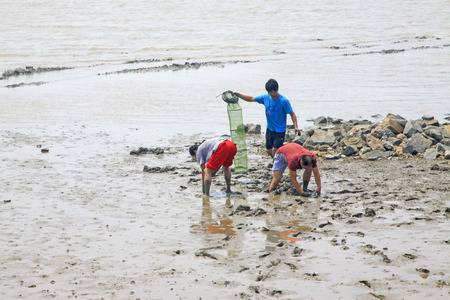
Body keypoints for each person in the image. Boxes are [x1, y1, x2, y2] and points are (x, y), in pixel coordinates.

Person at [234, 79, 299, 158]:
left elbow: (292, 114)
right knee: (269, 151)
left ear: (277, 90)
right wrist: (238, 95)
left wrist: (296, 127)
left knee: (275, 150)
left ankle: (277, 169)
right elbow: (251, 98)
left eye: (272, 92)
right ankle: (280, 162)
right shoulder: (265, 97)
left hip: (280, 131)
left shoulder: (283, 101)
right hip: (269, 129)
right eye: (269, 92)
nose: (270, 94)